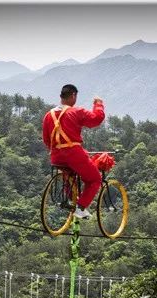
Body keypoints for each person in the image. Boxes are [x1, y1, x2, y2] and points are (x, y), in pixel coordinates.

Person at [42, 84, 105, 219]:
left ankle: (72, 200)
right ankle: (81, 207)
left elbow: (46, 139)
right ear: (73, 96)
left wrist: (56, 151)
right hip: (73, 154)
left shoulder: (48, 115)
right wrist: (98, 104)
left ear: (61, 97)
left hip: (55, 156)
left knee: (69, 176)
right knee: (95, 179)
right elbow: (96, 119)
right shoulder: (76, 112)